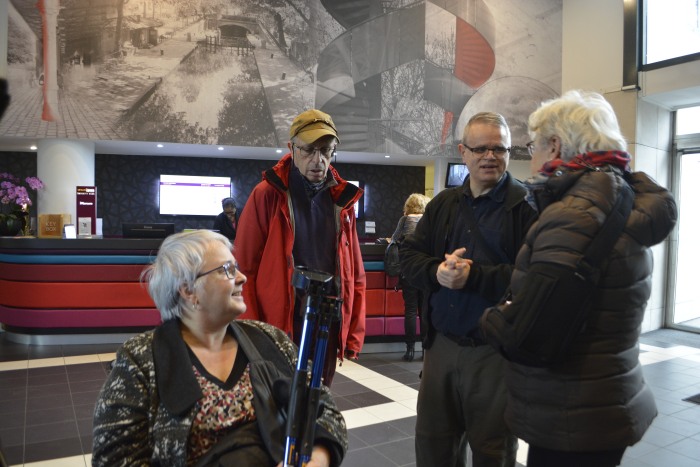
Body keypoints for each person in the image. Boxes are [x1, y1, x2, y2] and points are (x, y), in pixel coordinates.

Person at [479, 90, 678, 467]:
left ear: (554, 146)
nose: (531, 156)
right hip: (604, 396)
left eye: (533, 146)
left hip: (571, 412)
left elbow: (533, 332)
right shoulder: (621, 198)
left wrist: (492, 320)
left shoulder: (576, 215)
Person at [92, 230, 348, 466]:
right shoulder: (140, 360)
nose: (242, 277)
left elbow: (327, 412)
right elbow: (114, 459)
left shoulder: (270, 340)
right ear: (188, 290)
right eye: (227, 269)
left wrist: (317, 459)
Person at [401, 112, 538, 466]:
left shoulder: (526, 207)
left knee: (493, 452)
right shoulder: (444, 204)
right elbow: (409, 256)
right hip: (441, 348)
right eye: (480, 149)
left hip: (494, 355)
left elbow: (534, 278)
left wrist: (474, 276)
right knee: (433, 447)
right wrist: (437, 272)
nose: (490, 156)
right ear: (463, 152)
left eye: (499, 148)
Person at [235, 109, 366, 387]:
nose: (318, 160)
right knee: (279, 399)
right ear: (292, 148)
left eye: (326, 151)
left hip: (327, 319)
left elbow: (355, 273)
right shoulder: (267, 194)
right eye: (308, 150)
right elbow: (243, 270)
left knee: (319, 397)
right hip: (281, 323)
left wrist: (353, 333)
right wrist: (252, 334)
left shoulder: (342, 201)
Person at [389, 193, 431, 362]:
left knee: (411, 311)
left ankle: (410, 350)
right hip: (426, 271)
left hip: (408, 271)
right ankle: (426, 351)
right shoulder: (429, 219)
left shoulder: (405, 220)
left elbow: (394, 239)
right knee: (425, 311)